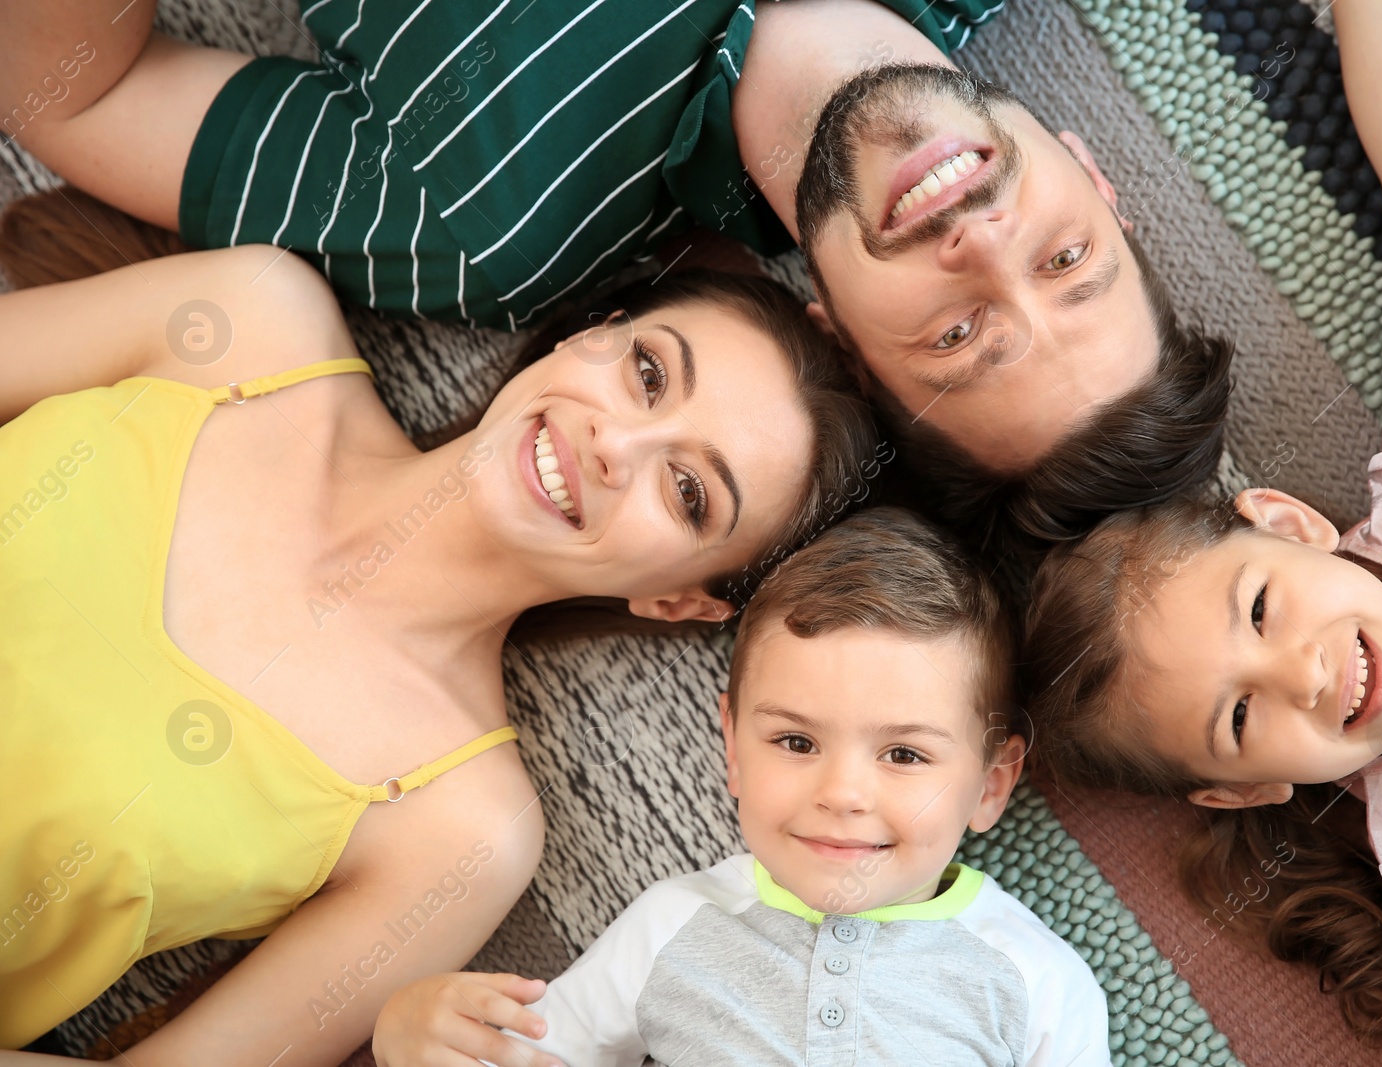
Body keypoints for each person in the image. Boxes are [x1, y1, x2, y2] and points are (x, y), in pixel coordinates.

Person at [0, 212, 877, 1062]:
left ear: (681, 601)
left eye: (689, 492)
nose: (618, 441)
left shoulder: (459, 826)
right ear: (586, 337)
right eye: (647, 371)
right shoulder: (250, 321)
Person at [1, 0, 1232, 544]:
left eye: (961, 338)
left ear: (841, 340)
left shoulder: (494, 228)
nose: (985, 247)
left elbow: (82, 97)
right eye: (1070, 260)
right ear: (1094, 174)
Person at [1019, 2, 1382, 1059]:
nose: (1302, 673)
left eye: (1259, 606)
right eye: (1241, 715)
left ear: (1288, 524)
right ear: (1244, 787)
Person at [369, 508, 1111, 1066]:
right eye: (796, 741)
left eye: (905, 754)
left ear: (990, 783)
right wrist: (407, 1029)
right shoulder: (674, 927)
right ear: (732, 746)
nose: (843, 792)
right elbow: (533, 1051)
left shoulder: (1033, 979)